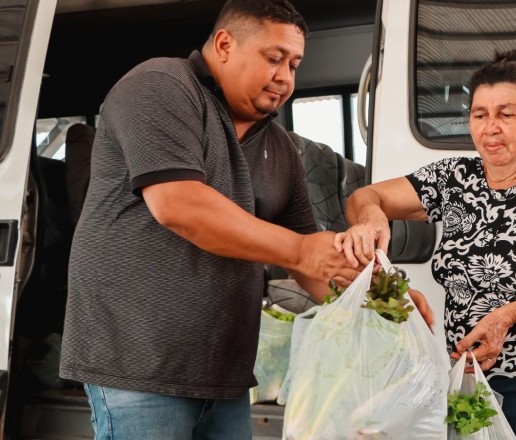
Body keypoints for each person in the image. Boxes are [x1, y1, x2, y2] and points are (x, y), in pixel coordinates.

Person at [58, 1, 376, 438]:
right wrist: (302, 250)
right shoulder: (160, 86)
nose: (285, 77)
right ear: (225, 44)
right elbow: (179, 205)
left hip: (223, 373)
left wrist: (377, 306)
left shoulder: (281, 148)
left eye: (294, 64)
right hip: (137, 365)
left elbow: (313, 265)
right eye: (273, 58)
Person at [335, 48, 516, 439]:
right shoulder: (456, 176)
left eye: (506, 114)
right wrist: (372, 219)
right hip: (467, 382)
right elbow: (365, 197)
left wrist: (505, 316)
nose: (491, 127)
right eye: (480, 115)